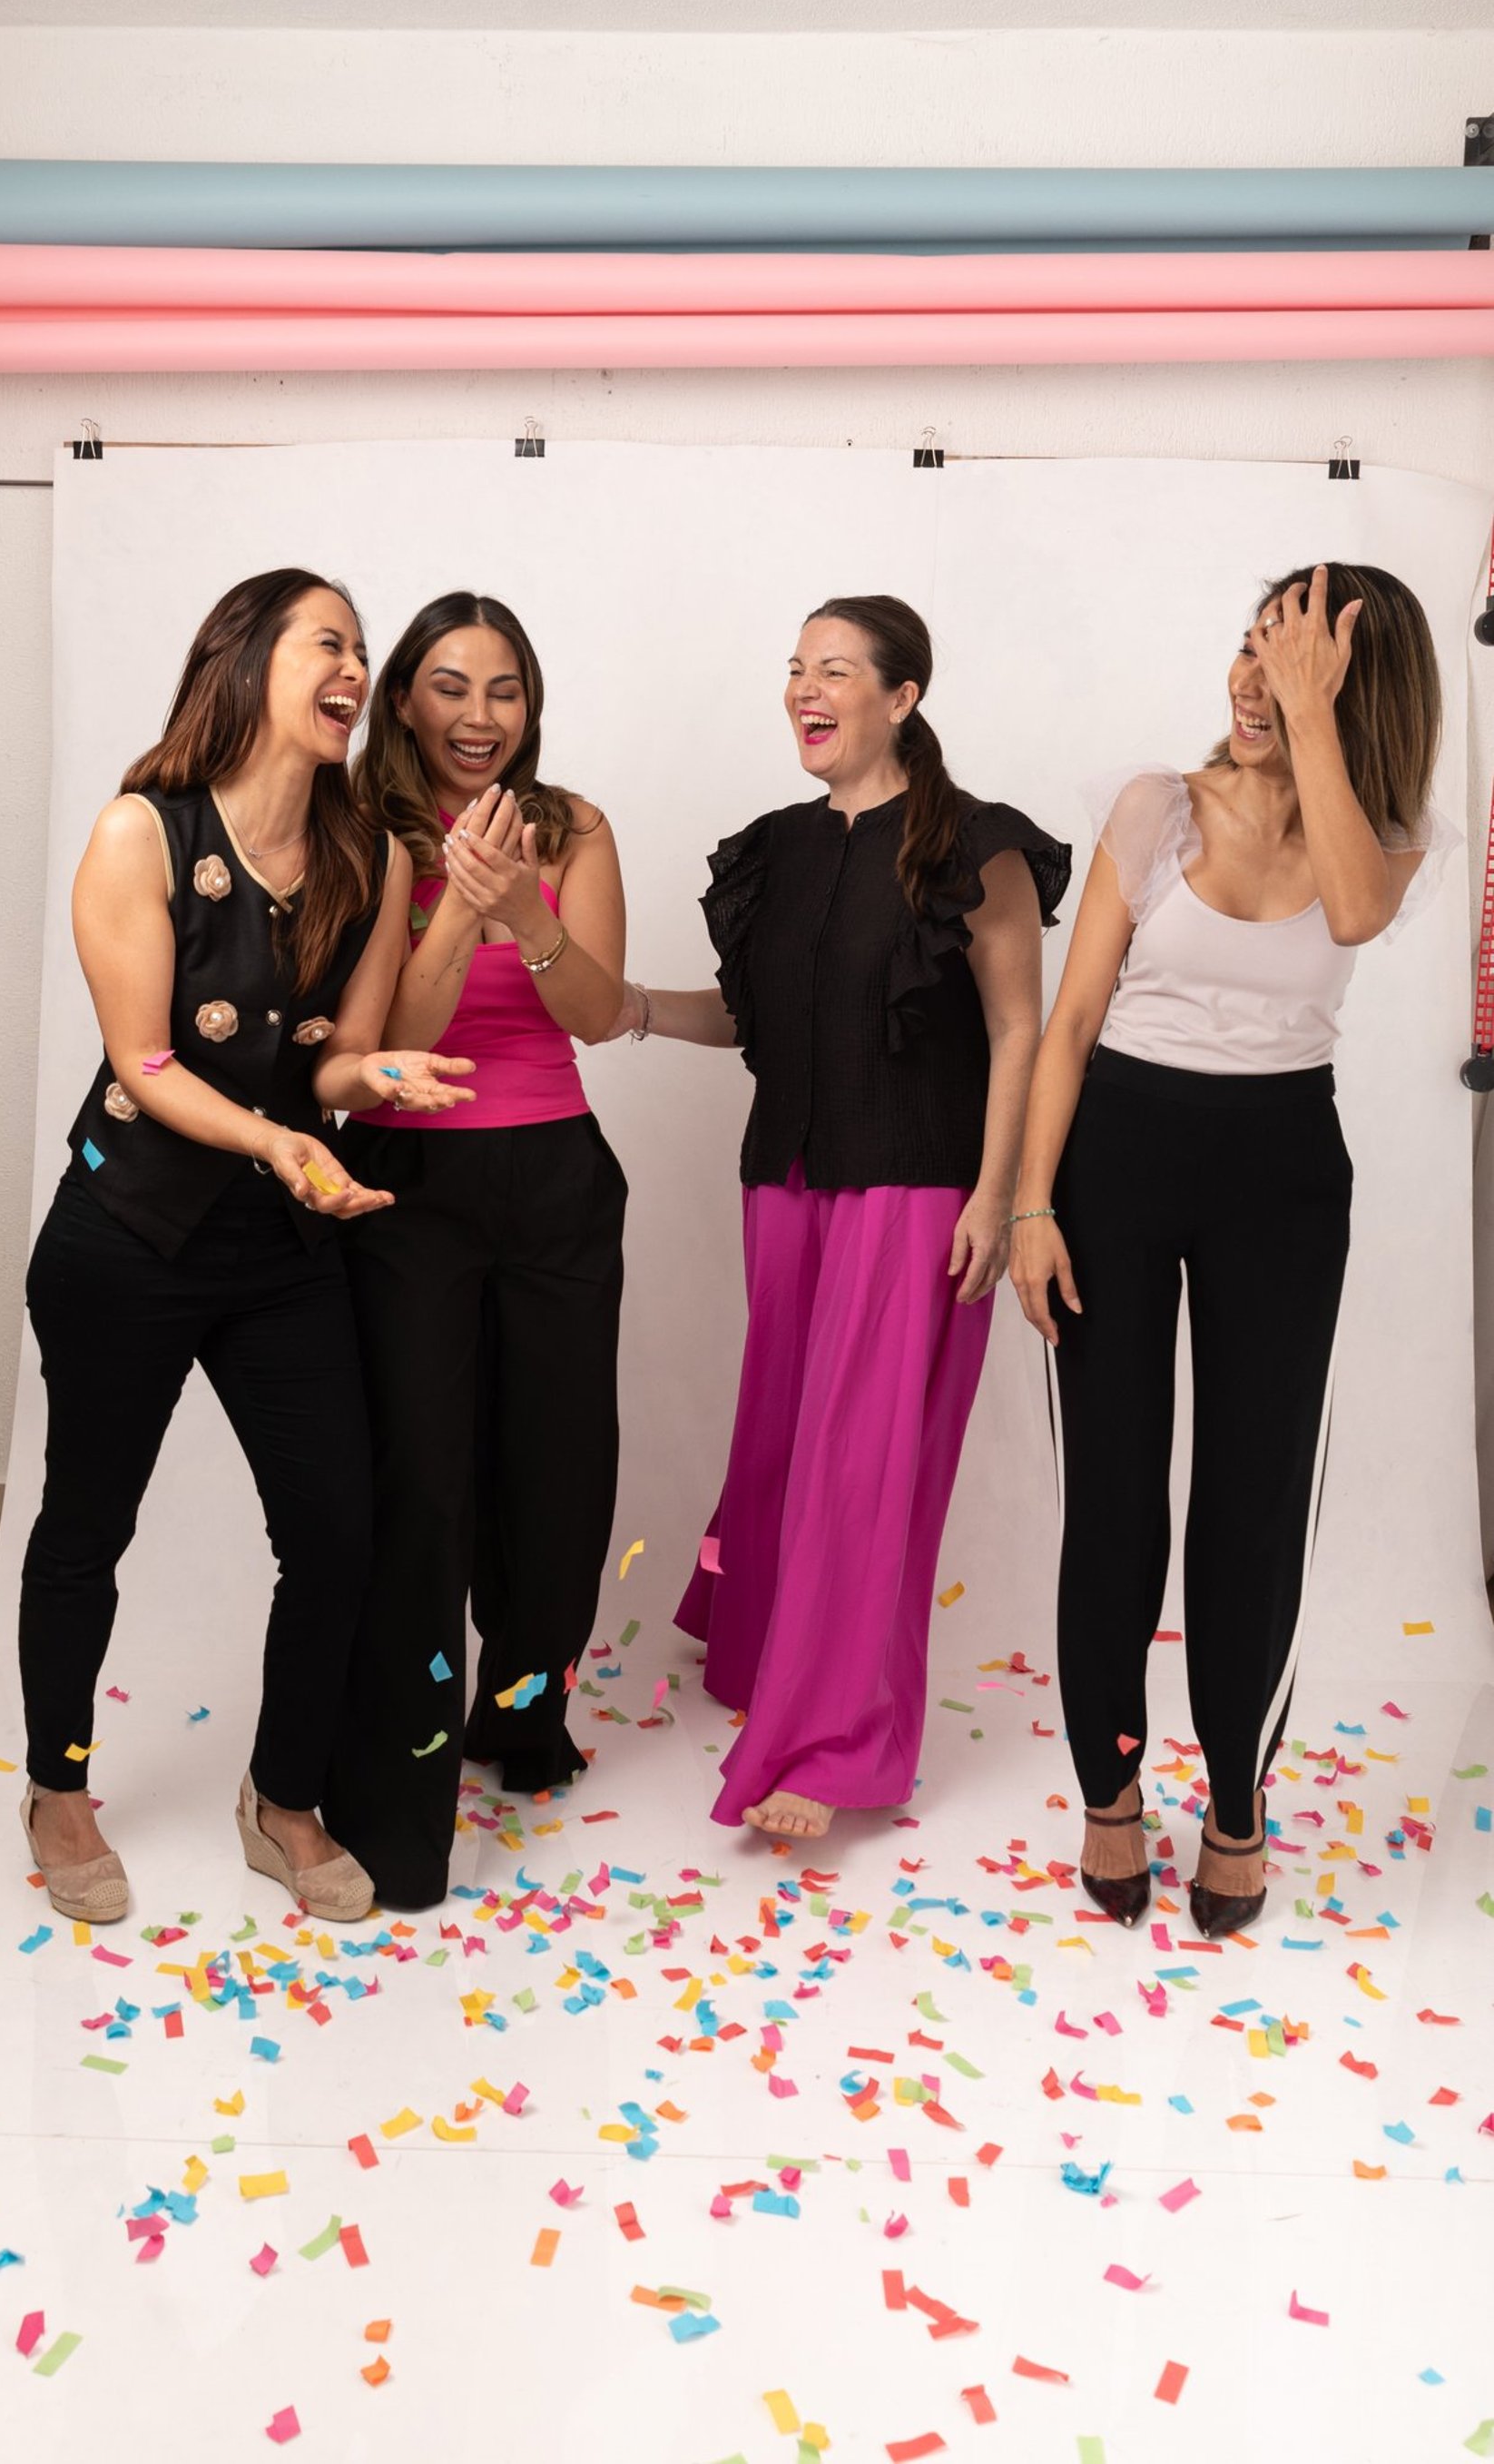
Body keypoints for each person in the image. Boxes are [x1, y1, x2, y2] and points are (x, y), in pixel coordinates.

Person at [16, 569, 472, 1927]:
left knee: (337, 1528)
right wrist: (279, 1142)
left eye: (360, 649)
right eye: (327, 642)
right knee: (88, 1526)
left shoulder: (373, 853)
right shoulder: (138, 834)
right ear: (247, 659)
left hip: (274, 1251)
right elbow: (147, 1064)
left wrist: (368, 1081)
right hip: (127, 1236)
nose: (354, 668)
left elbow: (322, 1064)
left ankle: (282, 1799)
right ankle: (57, 1784)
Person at [1009, 561, 1453, 1938]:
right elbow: (1071, 1023)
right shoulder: (1154, 808)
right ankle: (1110, 1793)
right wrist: (1032, 1204)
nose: (1253, 686)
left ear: (1352, 689)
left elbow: (1360, 915)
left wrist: (1314, 721)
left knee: (1252, 1507)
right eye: (1250, 651)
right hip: (1119, 1157)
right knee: (1119, 1497)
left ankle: (1239, 1802)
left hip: (1282, 1172)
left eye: (1294, 663)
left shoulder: (1381, 832)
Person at [614, 595, 1070, 1840]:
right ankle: (770, 1661)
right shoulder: (776, 847)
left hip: (921, 1192)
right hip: (787, 1185)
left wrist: (997, 1194)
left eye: (834, 671)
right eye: (794, 670)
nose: (804, 691)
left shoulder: (979, 847)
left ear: (903, 697)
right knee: (779, 1442)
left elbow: (1020, 1028)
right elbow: (750, 1018)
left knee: (863, 1472)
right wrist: (637, 1008)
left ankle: (839, 1743)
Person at [319, 592, 627, 1909]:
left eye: (504, 691)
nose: (480, 716)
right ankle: (410, 1755)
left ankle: (521, 1708)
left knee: (556, 1469)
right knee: (429, 1474)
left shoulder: (573, 828)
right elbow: (388, 1050)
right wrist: (458, 908)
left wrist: (528, 913)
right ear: (404, 699)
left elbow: (603, 1012)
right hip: (417, 1177)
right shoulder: (368, 836)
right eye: (451, 687)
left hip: (558, 1173)